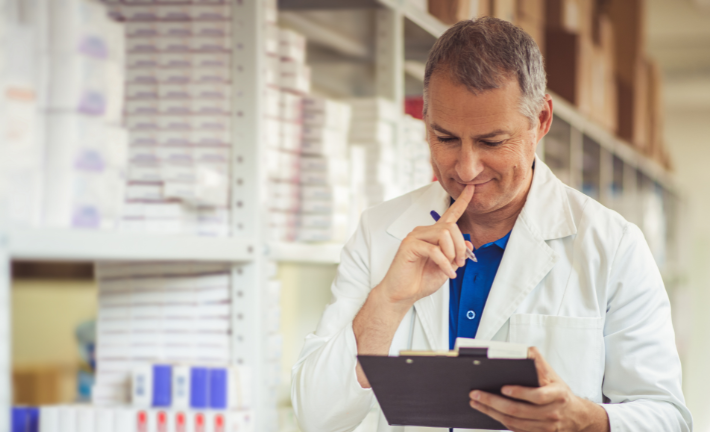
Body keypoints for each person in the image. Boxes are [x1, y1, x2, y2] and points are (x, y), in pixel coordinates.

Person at [291, 17, 691, 432]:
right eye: (445, 138)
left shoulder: (612, 245)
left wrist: (584, 419)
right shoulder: (381, 232)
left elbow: (668, 417)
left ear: (541, 121)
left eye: (491, 142)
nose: (466, 168)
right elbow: (317, 416)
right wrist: (388, 301)